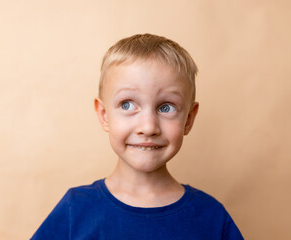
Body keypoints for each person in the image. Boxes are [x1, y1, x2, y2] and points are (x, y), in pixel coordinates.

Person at [30, 33, 244, 239]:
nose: (149, 127)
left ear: (188, 119)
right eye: (127, 105)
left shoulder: (212, 217)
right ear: (104, 115)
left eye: (166, 107)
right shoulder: (75, 209)